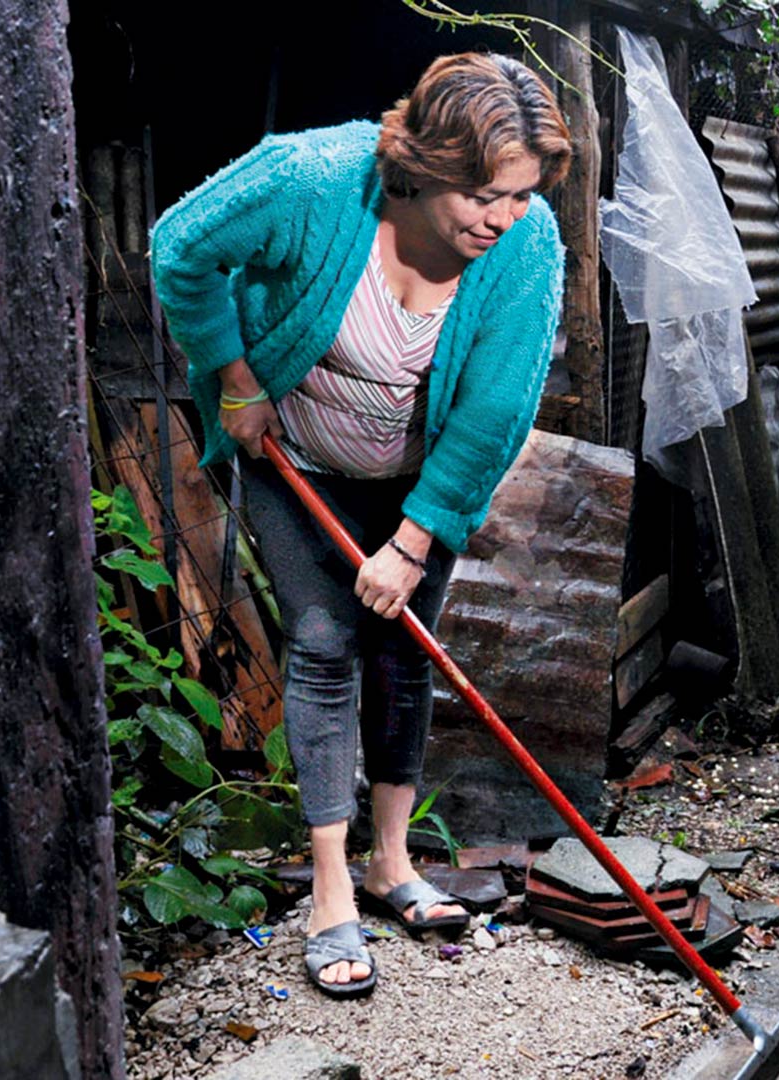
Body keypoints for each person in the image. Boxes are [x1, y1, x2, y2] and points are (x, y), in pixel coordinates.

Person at [150, 53, 569, 998]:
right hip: (291, 458)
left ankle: (392, 861)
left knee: (402, 646)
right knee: (329, 635)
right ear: (425, 163)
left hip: (420, 480)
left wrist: (416, 542)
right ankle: (332, 892)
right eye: (486, 195)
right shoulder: (311, 179)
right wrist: (234, 375)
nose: (503, 218)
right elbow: (181, 248)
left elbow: (496, 409)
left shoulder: (526, 246)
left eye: (520, 195)